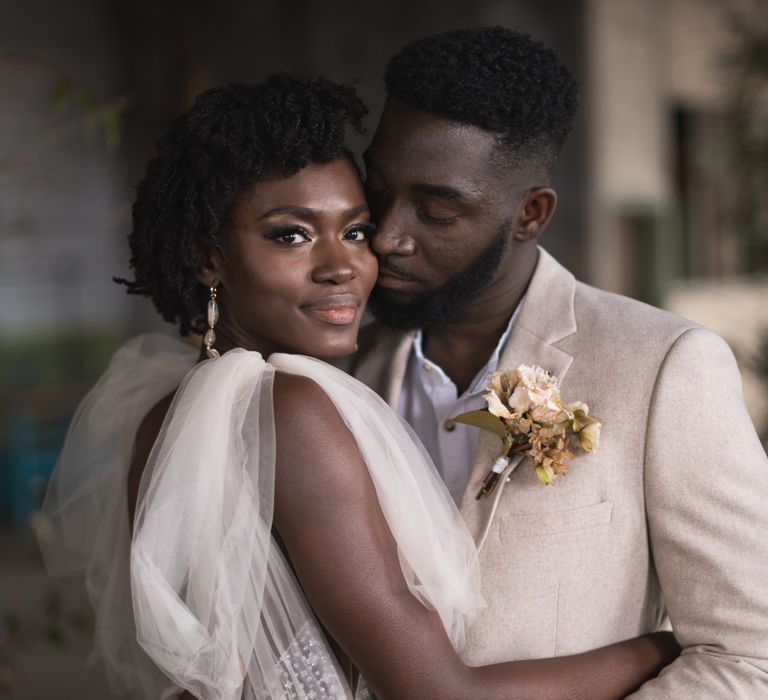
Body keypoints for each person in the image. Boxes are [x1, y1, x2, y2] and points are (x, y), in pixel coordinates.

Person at [39, 74, 678, 700]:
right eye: (291, 234)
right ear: (209, 257)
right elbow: (438, 692)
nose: (343, 265)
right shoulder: (292, 412)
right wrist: (667, 645)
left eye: (353, 231)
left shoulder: (169, 414)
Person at [345, 26, 768, 697]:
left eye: (436, 212)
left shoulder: (662, 367)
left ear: (531, 215)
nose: (390, 236)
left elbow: (750, 654)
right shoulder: (341, 369)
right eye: (378, 192)